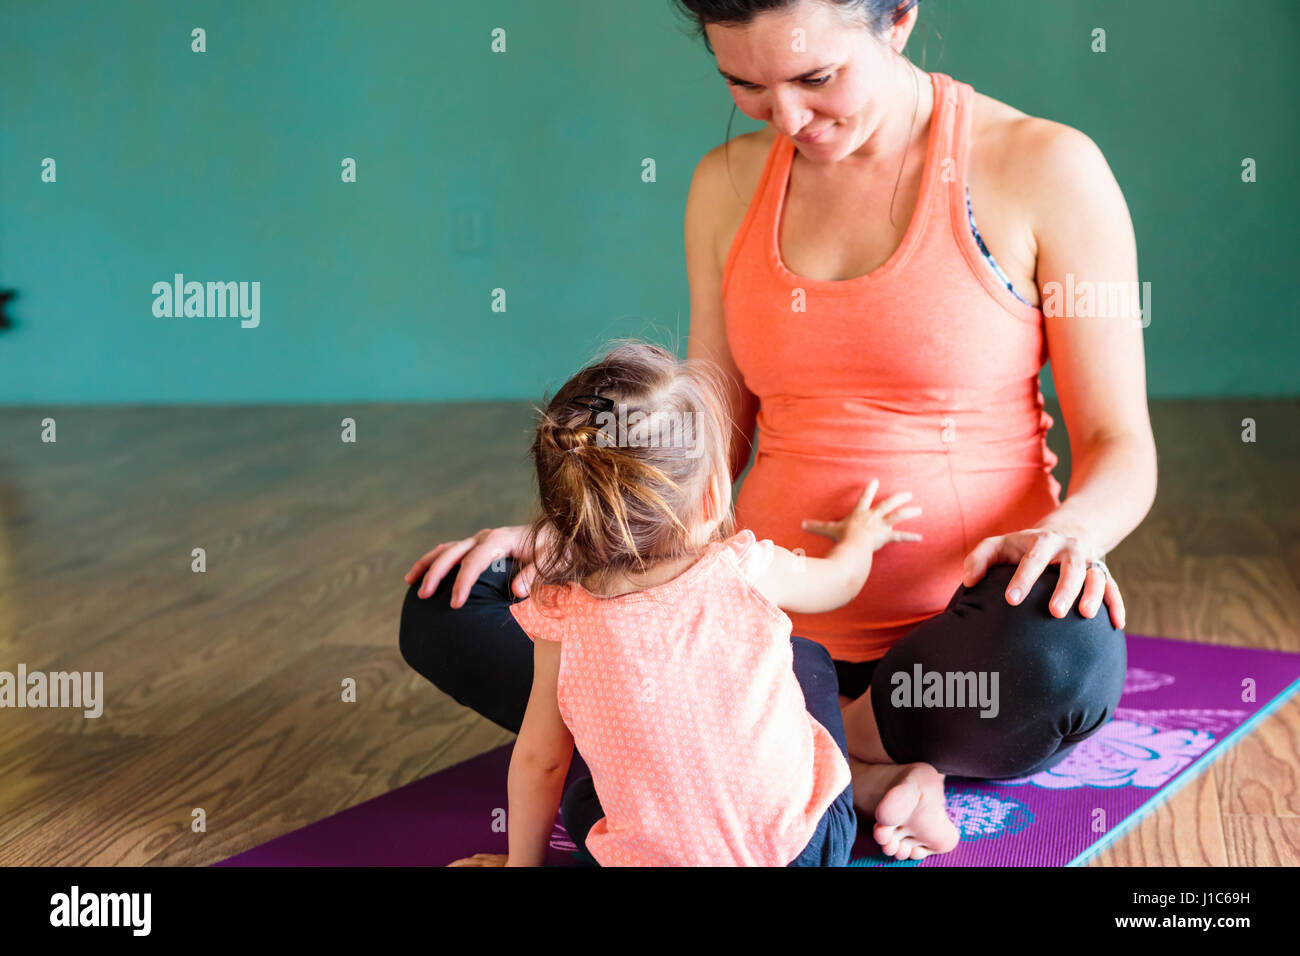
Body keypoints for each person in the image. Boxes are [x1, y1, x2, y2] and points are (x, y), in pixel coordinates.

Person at [404, 0, 1154, 861]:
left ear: (900, 17)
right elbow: (706, 435)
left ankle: (795, 747)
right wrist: (580, 539)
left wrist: (1068, 537)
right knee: (452, 600)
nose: (788, 119)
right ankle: (843, 772)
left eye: (817, 78)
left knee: (1065, 659)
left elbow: (1119, 444)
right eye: (746, 86)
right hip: (734, 639)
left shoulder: (1047, 168)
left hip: (945, 655)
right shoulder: (723, 185)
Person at [450, 342, 928, 866]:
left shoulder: (561, 618)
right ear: (711, 501)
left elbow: (541, 762)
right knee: (808, 657)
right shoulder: (745, 569)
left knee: (583, 797)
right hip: (804, 851)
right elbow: (842, 582)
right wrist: (860, 537)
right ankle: (872, 782)